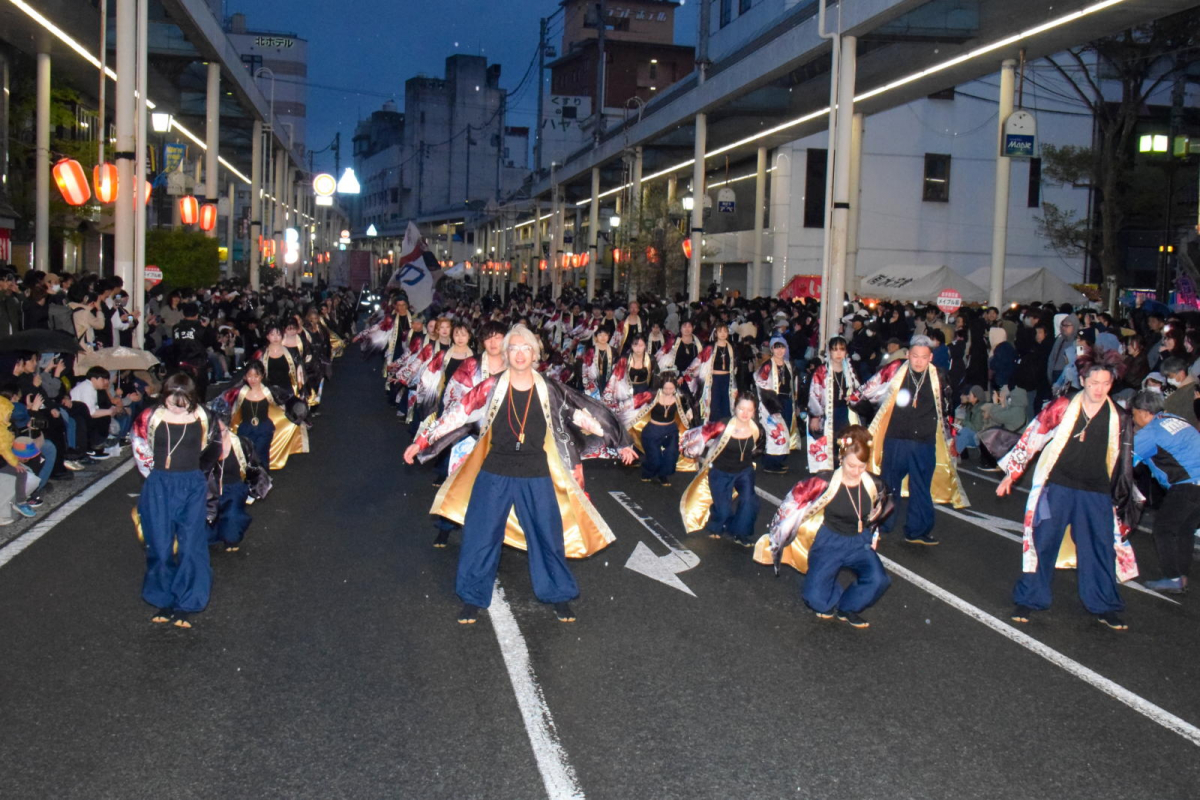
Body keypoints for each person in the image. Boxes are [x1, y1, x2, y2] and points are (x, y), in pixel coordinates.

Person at [403, 324, 637, 625]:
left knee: (547, 537)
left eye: (526, 348)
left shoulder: (548, 388)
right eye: (514, 348)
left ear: (535, 353)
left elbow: (581, 415)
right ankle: (472, 597)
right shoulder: (490, 387)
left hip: (536, 472)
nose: (520, 354)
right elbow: (456, 413)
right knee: (480, 536)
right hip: (495, 471)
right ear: (507, 353)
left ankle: (558, 595)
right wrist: (421, 441)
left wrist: (618, 441)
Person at [997, 347, 1139, 631]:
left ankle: (1104, 605)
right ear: (1084, 380)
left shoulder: (1120, 417)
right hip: (1057, 485)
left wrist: (1125, 497)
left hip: (1096, 491)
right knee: (1042, 542)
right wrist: (1011, 474)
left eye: (1106, 384)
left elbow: (1125, 461)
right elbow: (1034, 435)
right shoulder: (1062, 406)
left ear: (1112, 384)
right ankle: (1029, 598)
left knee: (1099, 549)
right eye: (1094, 382)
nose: (1099, 389)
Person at [754, 425, 894, 629]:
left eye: (861, 466)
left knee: (879, 579)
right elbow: (793, 500)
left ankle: (848, 607)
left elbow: (888, 502)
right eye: (851, 466)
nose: (856, 472)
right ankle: (829, 595)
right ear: (841, 459)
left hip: (858, 542)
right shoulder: (825, 481)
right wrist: (778, 534)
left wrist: (873, 527)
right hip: (830, 541)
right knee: (815, 599)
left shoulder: (873, 483)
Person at [851, 334, 969, 546]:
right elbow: (866, 390)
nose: (918, 361)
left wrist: (950, 437)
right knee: (888, 484)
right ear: (908, 355)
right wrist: (859, 407)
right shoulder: (896, 370)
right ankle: (880, 524)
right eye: (914, 356)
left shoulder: (939, 377)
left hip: (924, 441)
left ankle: (917, 530)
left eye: (923, 357)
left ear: (930, 357)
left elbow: (946, 409)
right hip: (896, 438)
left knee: (921, 487)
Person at [131, 373, 223, 629]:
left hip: (192, 484)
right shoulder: (149, 417)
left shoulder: (204, 417)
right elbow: (139, 446)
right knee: (159, 546)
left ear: (191, 398)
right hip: (159, 483)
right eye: (171, 399)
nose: (175, 405)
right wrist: (155, 475)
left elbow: (214, 448)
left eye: (181, 401)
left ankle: (188, 601)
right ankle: (164, 599)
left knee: (191, 545)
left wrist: (197, 476)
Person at [1129, 390, 1200, 594]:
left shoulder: (1150, 432)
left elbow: (1125, 463)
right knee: (1185, 529)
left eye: (1134, 415)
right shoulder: (1174, 419)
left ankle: (1173, 577)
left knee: (1163, 528)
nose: (1134, 420)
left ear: (1143, 413)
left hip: (1187, 483)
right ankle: (1181, 574)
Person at [679, 393, 763, 546]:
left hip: (744, 471)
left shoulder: (757, 428)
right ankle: (716, 525)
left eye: (749, 410)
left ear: (754, 411)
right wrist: (688, 449)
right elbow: (698, 435)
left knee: (749, 501)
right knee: (723, 510)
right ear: (735, 408)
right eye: (741, 409)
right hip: (721, 471)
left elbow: (759, 447)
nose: (745, 414)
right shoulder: (723, 425)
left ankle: (741, 533)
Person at [217, 360, 309, 470]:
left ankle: (263, 480)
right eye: (249, 376)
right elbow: (226, 409)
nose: (253, 379)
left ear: (262, 376)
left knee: (260, 454)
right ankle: (251, 480)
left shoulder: (270, 391)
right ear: (245, 377)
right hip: (245, 429)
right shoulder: (239, 392)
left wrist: (299, 411)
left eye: (256, 376)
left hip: (264, 429)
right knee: (247, 455)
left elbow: (289, 400)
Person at [206, 419, 271, 553]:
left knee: (232, 515)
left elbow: (254, 466)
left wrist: (255, 487)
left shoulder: (242, 444)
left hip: (233, 487)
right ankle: (212, 538)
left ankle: (231, 539)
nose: (219, 434)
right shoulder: (203, 447)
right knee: (209, 518)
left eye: (222, 430)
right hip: (209, 489)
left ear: (228, 427)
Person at [806, 336, 860, 472]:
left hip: (845, 412)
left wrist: (854, 398)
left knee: (845, 443)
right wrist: (815, 417)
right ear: (829, 351)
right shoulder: (821, 371)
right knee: (826, 444)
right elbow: (814, 394)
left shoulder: (851, 371)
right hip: (826, 414)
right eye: (835, 350)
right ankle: (827, 474)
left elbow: (859, 390)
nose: (838, 353)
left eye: (842, 349)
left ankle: (842, 471)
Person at [632, 373, 693, 486]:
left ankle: (663, 475)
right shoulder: (653, 395)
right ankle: (648, 472)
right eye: (666, 388)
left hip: (671, 430)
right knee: (654, 458)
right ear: (661, 387)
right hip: (653, 430)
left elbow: (690, 410)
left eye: (671, 388)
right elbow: (633, 404)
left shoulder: (680, 397)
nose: (668, 390)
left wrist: (689, 414)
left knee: (671, 455)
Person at [755, 337, 797, 474]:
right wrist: (770, 401)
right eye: (776, 347)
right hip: (772, 403)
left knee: (785, 431)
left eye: (782, 347)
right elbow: (760, 383)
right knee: (776, 432)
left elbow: (793, 383)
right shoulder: (767, 365)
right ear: (772, 349)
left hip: (786, 401)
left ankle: (778, 460)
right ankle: (770, 463)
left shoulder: (788, 364)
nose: (780, 350)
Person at [1159, 357, 1199, 428]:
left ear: (1181, 374)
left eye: (1170, 376)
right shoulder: (1196, 386)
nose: (1168, 380)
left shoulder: (1174, 398)